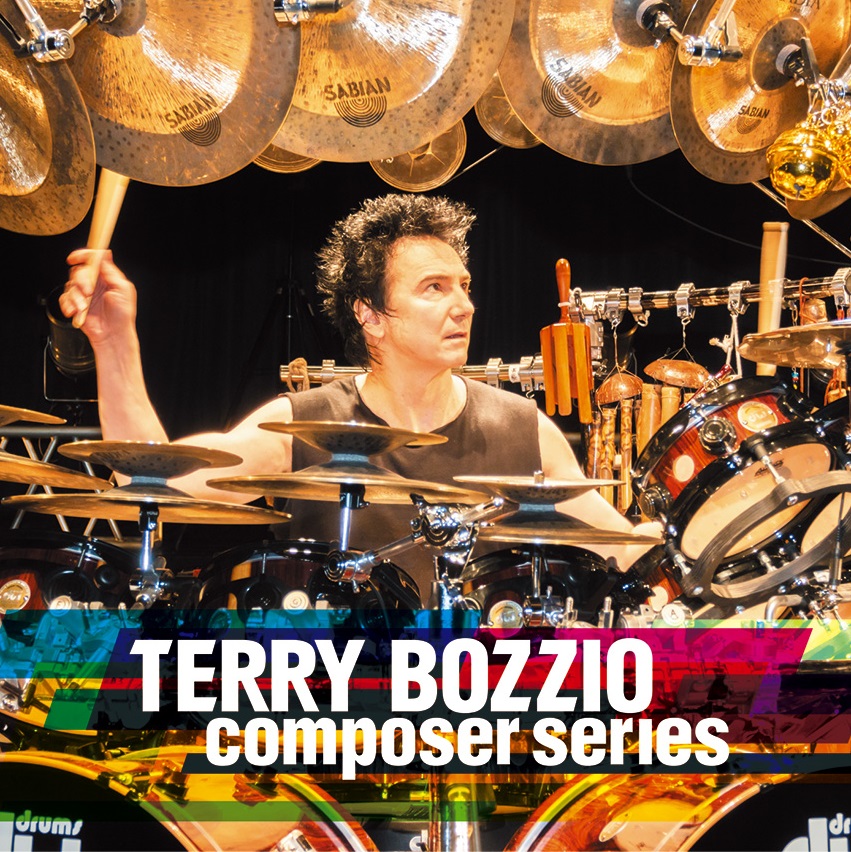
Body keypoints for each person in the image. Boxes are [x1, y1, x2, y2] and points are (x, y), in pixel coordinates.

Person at [60, 193, 659, 606]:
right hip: (338, 704)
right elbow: (154, 483)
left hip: (485, 705)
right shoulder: (303, 424)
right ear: (370, 315)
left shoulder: (521, 428)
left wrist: (695, 539)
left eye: (464, 286)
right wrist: (114, 343)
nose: (464, 305)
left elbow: (624, 547)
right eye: (434, 288)